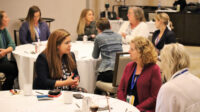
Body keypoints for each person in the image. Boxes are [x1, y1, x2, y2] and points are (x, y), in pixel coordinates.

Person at [117, 37, 162, 112]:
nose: (129, 51)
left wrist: (135, 109)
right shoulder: (129, 66)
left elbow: (154, 97)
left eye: (132, 49)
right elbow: (120, 90)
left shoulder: (154, 69)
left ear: (142, 52)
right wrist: (125, 105)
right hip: (126, 109)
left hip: (143, 110)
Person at [156, 43, 200, 112]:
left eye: (161, 61)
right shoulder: (197, 81)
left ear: (168, 62)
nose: (160, 67)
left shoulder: (168, 89)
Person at [92, 18, 122, 83]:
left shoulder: (99, 37)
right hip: (120, 71)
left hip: (108, 71)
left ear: (98, 28)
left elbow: (95, 56)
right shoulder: (119, 36)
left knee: (97, 84)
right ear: (109, 26)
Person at [0, 10, 18, 90]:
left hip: (3, 60)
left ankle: (4, 90)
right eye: (6, 17)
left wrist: (5, 51)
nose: (8, 19)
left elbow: (12, 44)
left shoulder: (4, 30)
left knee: (12, 73)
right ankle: (5, 90)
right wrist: (6, 51)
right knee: (16, 68)